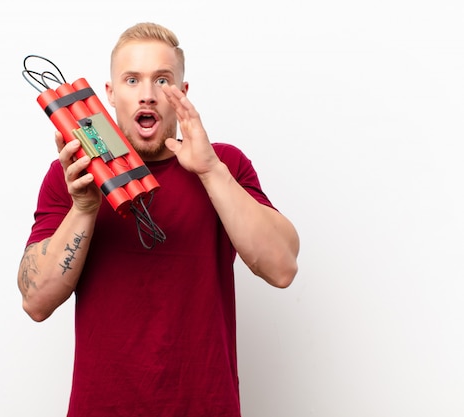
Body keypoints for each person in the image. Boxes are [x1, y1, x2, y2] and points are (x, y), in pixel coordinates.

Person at [17, 22, 300, 417]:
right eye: (132, 80)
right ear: (110, 95)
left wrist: (210, 171)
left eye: (162, 80)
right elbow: (36, 301)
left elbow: (282, 267)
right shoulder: (72, 177)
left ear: (182, 94)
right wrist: (84, 207)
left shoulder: (225, 165)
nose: (147, 95)